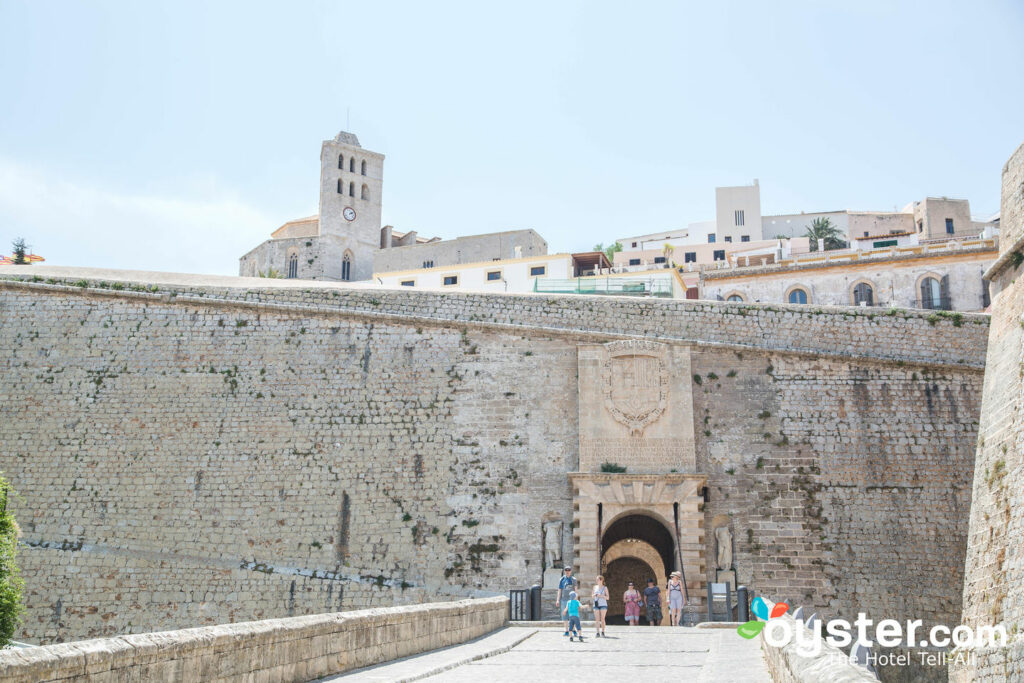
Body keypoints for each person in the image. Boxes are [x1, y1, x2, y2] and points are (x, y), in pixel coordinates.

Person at [556, 566, 579, 637]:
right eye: (566, 570)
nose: (567, 572)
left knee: (573, 615)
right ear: (564, 571)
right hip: (564, 600)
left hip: (572, 600)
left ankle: (574, 630)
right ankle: (566, 630)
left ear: (571, 571)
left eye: (569, 570)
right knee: (565, 616)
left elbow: (576, 590)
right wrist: (557, 600)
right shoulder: (562, 579)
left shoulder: (573, 579)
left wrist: (576, 599)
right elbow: (560, 590)